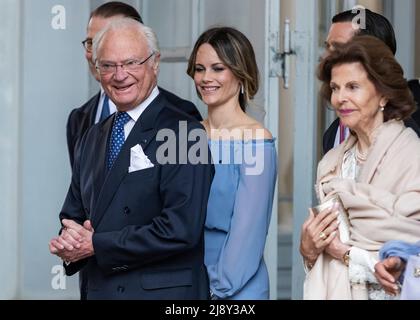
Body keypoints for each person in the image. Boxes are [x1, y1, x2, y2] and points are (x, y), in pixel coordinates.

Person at [49, 18, 214, 300]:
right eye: (108, 65)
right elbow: (73, 214)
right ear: (97, 70)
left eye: (131, 63)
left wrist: (96, 245)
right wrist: (70, 243)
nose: (120, 75)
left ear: (155, 63)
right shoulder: (92, 136)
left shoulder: (185, 132)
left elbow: (180, 228)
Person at [300, 35, 420, 300]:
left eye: (353, 87)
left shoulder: (413, 156)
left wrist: (344, 251)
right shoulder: (331, 163)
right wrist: (308, 250)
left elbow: (410, 257)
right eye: (335, 87)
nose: (340, 98)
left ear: (384, 94)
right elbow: (324, 257)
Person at [187, 27, 277, 299]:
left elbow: (248, 232)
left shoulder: (256, 139)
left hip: (236, 287)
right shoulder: (189, 135)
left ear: (240, 73)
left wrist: (215, 289)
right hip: (188, 279)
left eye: (217, 68)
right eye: (200, 69)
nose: (206, 78)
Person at [67, 1, 202, 167]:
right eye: (91, 43)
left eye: (110, 39)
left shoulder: (183, 118)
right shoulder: (79, 120)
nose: (97, 53)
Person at [322, 8, 420, 154]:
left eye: (338, 48)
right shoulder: (333, 133)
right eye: (327, 47)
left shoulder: (406, 142)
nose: (326, 57)